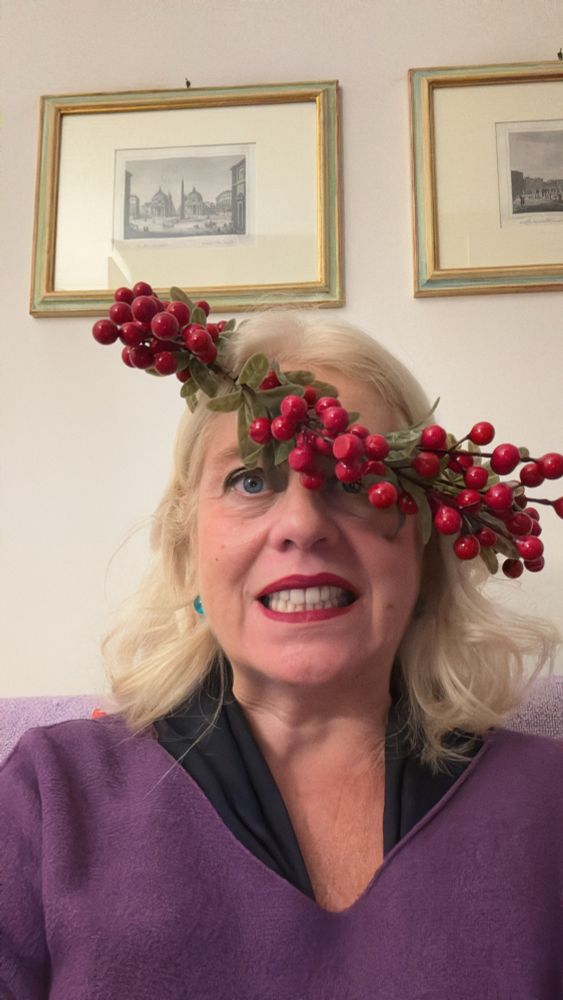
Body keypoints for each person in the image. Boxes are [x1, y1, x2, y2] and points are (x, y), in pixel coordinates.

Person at [1, 304, 562, 999]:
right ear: (189, 543)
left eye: (356, 480)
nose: (301, 524)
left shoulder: (548, 800)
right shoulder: (53, 796)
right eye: (250, 481)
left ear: (424, 550)